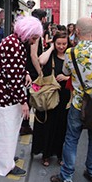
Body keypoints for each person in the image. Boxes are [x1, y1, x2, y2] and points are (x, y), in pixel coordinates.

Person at [50, 17, 92, 182]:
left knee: (71, 138)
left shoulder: (71, 53)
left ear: (76, 31)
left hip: (79, 103)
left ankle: (67, 176)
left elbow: (65, 71)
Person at [0, 16, 43, 177]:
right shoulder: (14, 45)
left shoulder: (14, 42)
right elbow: (13, 78)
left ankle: (7, 157)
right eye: (33, 37)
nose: (34, 42)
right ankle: (6, 164)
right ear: (27, 33)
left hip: (2, 91)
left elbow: (14, 67)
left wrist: (25, 72)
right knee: (5, 127)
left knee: (8, 127)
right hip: (2, 92)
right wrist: (23, 102)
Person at [32, 31, 71, 167]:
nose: (61, 46)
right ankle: (46, 154)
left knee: (62, 127)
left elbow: (77, 74)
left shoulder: (71, 55)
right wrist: (51, 48)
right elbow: (41, 60)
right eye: (58, 43)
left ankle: (60, 154)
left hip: (65, 96)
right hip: (51, 95)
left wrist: (67, 78)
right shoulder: (51, 56)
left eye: (64, 44)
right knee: (48, 126)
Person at [22, 8, 48, 135]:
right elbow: (33, 55)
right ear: (42, 19)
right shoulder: (35, 32)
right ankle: (25, 124)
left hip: (28, 68)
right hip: (32, 70)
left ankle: (24, 124)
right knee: (31, 97)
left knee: (29, 97)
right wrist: (40, 72)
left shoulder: (29, 29)